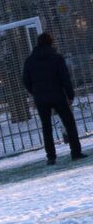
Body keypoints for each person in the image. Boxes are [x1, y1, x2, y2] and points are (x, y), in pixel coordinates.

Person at [22, 32, 84, 164]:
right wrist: (70, 95)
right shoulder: (57, 58)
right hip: (57, 95)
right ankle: (76, 152)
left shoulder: (30, 61)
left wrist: (35, 92)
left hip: (41, 98)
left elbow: (26, 80)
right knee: (69, 123)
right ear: (51, 42)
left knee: (46, 127)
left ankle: (51, 156)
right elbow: (65, 77)